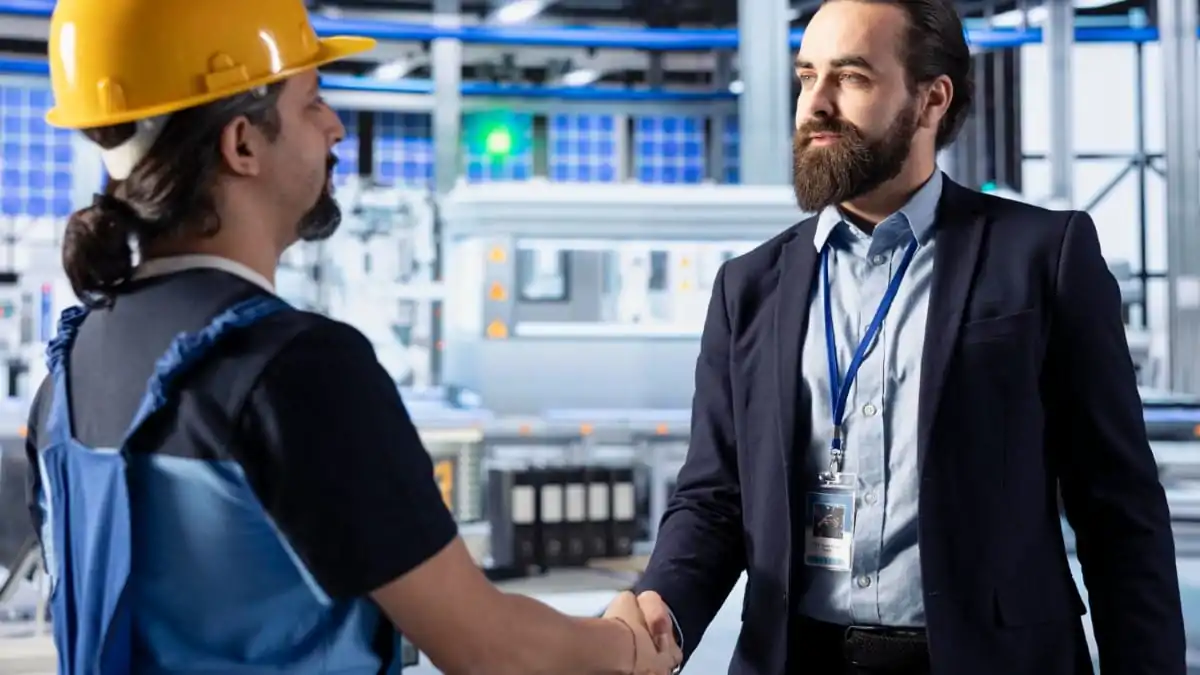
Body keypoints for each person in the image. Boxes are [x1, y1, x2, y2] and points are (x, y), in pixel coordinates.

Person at [24, 1, 684, 674]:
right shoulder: (298, 369)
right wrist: (626, 649)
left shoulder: (63, 382)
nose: (336, 127)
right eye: (313, 102)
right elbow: (489, 646)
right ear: (242, 143)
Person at [603, 0, 1187, 673]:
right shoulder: (749, 287)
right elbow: (716, 496)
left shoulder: (1042, 258)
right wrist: (662, 610)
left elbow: (1119, 510)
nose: (815, 103)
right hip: (799, 658)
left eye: (850, 78)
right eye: (806, 76)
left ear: (931, 100)